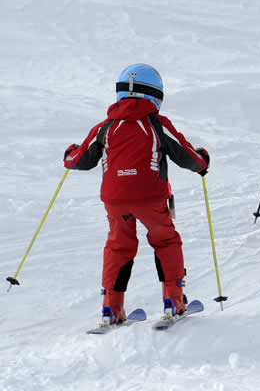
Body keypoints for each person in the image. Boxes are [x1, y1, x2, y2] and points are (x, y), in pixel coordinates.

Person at [63, 63, 209, 325]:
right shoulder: (157, 124)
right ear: (155, 95)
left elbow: (80, 160)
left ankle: (112, 306)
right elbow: (185, 155)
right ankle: (174, 300)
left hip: (115, 199)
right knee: (165, 240)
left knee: (119, 246)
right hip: (151, 197)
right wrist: (203, 162)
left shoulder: (104, 127)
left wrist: (69, 155)